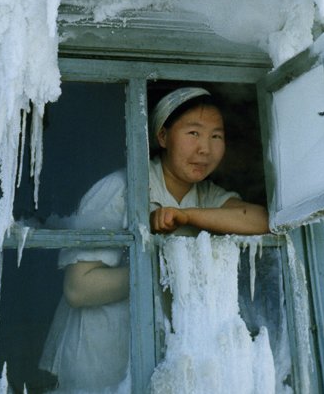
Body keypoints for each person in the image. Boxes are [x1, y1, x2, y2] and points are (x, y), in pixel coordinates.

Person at [39, 86, 269, 392]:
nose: (205, 149)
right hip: (97, 358)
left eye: (216, 136)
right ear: (162, 137)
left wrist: (187, 217)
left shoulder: (208, 196)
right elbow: (78, 289)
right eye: (193, 133)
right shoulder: (120, 188)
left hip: (158, 358)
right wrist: (165, 269)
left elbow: (262, 220)